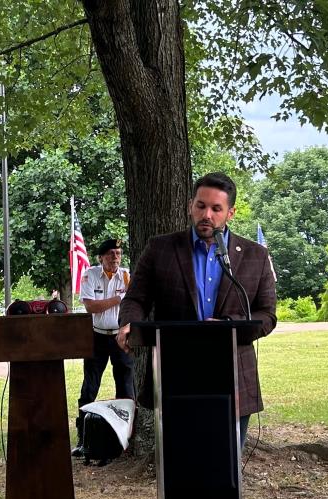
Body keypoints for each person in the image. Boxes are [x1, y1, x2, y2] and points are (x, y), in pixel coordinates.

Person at [116, 172, 277, 448]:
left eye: (216, 209)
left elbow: (267, 315)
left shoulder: (255, 256)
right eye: (201, 206)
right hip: (175, 373)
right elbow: (136, 299)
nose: (207, 215)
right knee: (179, 464)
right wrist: (129, 323)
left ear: (231, 213)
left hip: (233, 375)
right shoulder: (161, 249)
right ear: (191, 205)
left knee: (225, 471)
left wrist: (228, 324)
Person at [71, 238, 134, 458]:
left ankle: (125, 438)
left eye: (118, 253)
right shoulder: (89, 275)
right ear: (101, 258)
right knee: (89, 387)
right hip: (96, 337)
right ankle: (83, 439)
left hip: (120, 337)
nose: (115, 257)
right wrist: (119, 298)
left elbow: (133, 306)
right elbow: (90, 306)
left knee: (126, 387)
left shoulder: (126, 275)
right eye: (110, 254)